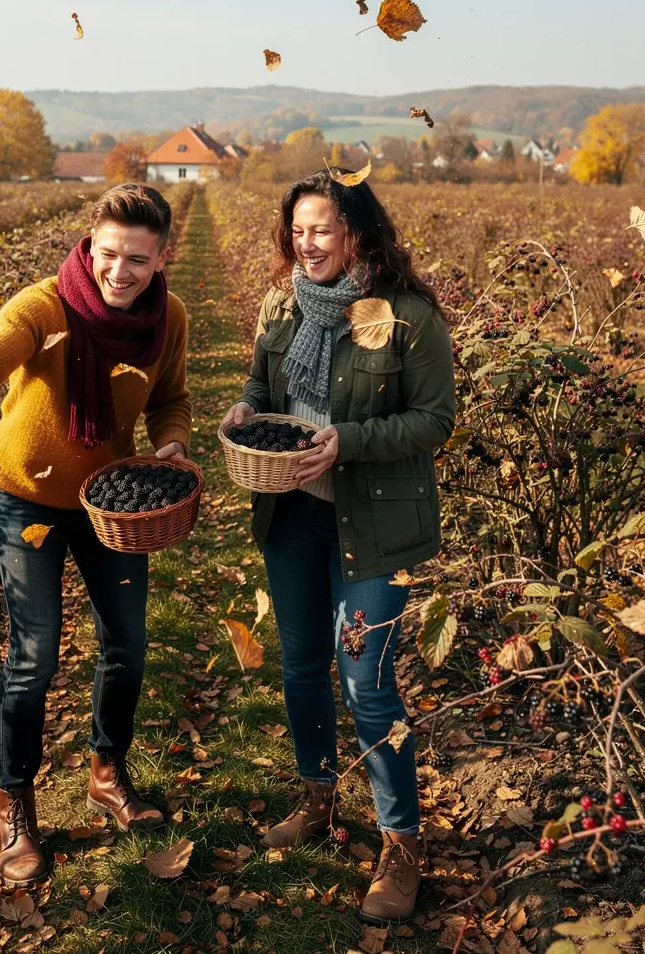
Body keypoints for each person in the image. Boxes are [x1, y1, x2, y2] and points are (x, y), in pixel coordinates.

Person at [0, 183, 192, 886]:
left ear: (162, 256)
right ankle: (14, 805)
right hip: (25, 498)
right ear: (90, 245)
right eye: (110, 254)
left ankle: (107, 772)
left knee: (129, 644)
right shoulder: (43, 305)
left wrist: (171, 443)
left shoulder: (167, 317)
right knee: (35, 654)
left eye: (138, 261)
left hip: (107, 500)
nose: (121, 272)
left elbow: (171, 398)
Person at [221, 169, 455, 923]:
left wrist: (346, 441)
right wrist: (245, 408)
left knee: (367, 681)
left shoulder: (408, 317)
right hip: (292, 514)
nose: (306, 242)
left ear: (356, 232)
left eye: (320, 229)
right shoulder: (281, 304)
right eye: (297, 230)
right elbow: (263, 390)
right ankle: (318, 796)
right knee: (300, 665)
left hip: (373, 525)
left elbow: (435, 420)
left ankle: (401, 844)